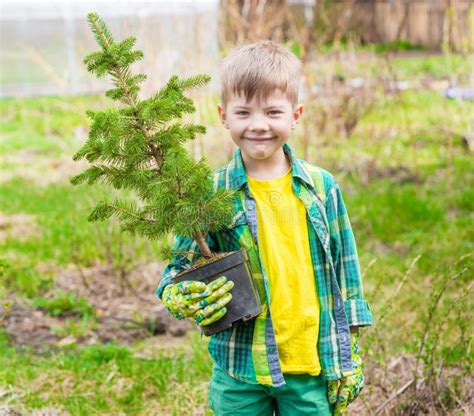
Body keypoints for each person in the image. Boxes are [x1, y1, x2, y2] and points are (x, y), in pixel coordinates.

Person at [156, 40, 373, 415]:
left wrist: (349, 352)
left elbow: (346, 270)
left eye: (273, 112)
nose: (258, 125)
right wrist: (178, 295)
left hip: (310, 364)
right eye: (244, 113)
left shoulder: (321, 188)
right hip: (241, 367)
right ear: (224, 116)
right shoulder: (211, 193)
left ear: (296, 114)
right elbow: (177, 269)